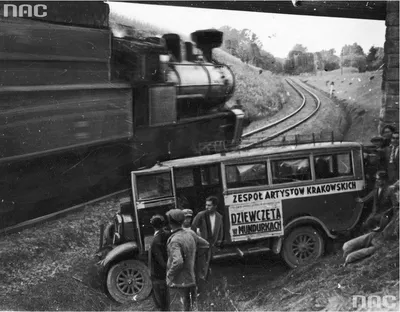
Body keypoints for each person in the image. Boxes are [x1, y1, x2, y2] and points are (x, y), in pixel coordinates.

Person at [342, 181, 399, 265]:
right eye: (396, 193)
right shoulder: (393, 209)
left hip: (384, 243)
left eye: (398, 192)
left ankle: (347, 264)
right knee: (346, 245)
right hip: (377, 234)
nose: (396, 195)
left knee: (350, 257)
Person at [165, 209, 197, 311]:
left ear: (170, 223)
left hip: (178, 283)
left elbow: (178, 261)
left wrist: (169, 275)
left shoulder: (175, 240)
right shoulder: (190, 234)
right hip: (190, 279)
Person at [148, 215, 170, 311]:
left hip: (158, 274)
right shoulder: (168, 234)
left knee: (161, 299)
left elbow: (160, 260)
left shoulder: (154, 241)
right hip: (166, 272)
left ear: (152, 225)